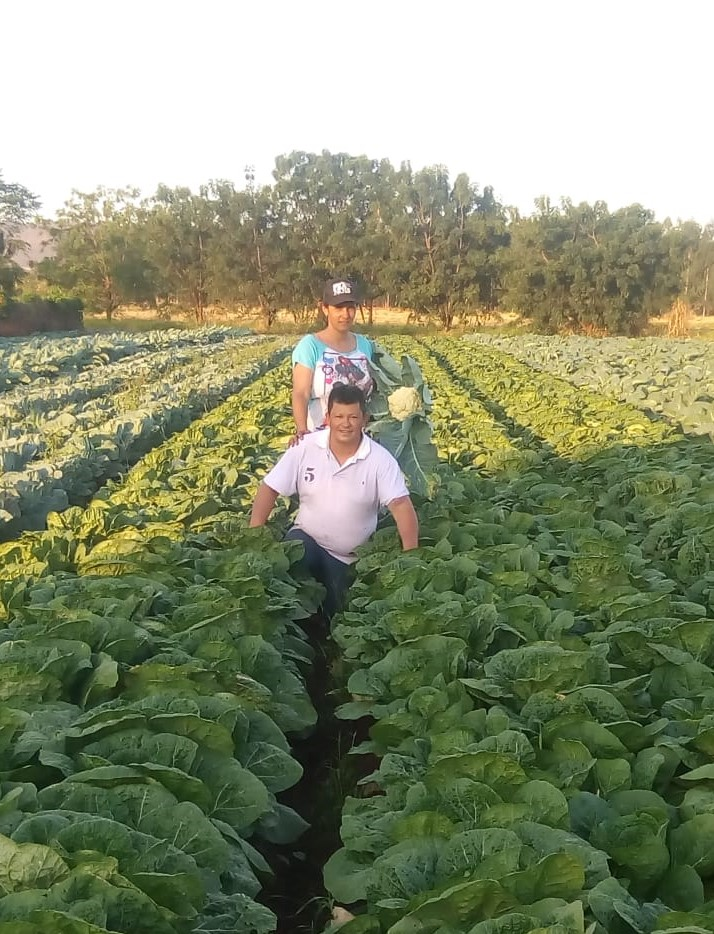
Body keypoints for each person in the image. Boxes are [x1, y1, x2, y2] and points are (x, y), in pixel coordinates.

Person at [250, 384, 419, 617]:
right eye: (339, 416)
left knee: (339, 616)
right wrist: (253, 536)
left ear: (364, 419)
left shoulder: (380, 460)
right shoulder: (305, 447)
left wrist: (411, 555)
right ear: (328, 418)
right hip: (306, 540)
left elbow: (401, 505)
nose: (345, 423)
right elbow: (269, 488)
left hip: (348, 559)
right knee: (289, 591)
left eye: (353, 417)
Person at [291, 277, 374, 442]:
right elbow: (301, 393)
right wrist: (302, 430)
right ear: (325, 308)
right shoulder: (310, 346)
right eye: (338, 307)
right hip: (320, 439)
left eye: (350, 308)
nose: (345, 314)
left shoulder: (364, 345)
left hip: (359, 441)